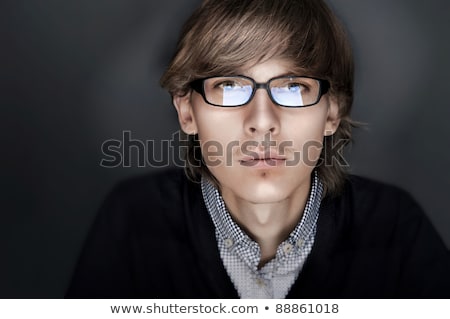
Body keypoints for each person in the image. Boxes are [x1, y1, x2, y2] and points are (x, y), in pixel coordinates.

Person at [66, 0, 450, 298]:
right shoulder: (133, 222)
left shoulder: (397, 229)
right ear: (187, 111)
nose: (263, 120)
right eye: (230, 87)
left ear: (332, 112)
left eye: (293, 87)